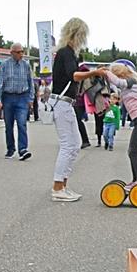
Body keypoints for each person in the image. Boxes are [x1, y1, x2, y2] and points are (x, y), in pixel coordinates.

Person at [50, 18, 92, 202]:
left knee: (74, 144)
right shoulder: (66, 53)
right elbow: (73, 75)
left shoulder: (67, 53)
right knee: (68, 145)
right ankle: (58, 187)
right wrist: (94, 73)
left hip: (65, 103)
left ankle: (63, 184)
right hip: (62, 102)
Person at [106, 64, 137, 184]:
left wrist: (105, 72)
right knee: (132, 151)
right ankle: (135, 180)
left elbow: (117, 82)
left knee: (133, 152)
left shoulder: (132, 81)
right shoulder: (127, 85)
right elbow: (114, 85)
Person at [0, 42, 36, 161]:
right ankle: (10, 148)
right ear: (12, 53)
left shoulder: (26, 65)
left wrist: (31, 98)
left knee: (22, 123)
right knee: (9, 125)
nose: (21, 54)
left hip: (22, 97)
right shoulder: (5, 65)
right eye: (18, 52)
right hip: (8, 97)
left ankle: (23, 149)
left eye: (22, 51)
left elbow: (30, 82)